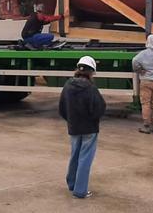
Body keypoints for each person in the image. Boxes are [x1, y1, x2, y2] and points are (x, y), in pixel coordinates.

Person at [58, 56, 106, 199]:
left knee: (75, 155)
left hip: (74, 127)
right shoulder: (91, 88)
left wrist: (71, 120)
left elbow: (62, 108)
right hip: (89, 129)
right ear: (91, 72)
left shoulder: (67, 86)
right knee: (85, 158)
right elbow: (100, 107)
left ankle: (72, 183)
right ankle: (80, 190)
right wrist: (93, 120)